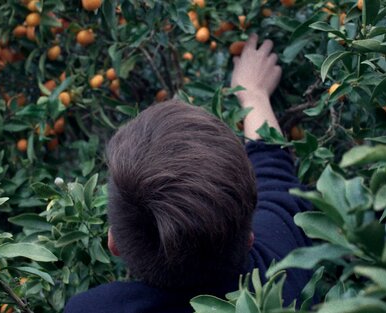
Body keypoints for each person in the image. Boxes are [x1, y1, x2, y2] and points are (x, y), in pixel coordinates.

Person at [65, 34, 311, 313]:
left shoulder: (92, 309)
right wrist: (252, 93)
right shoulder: (281, 277)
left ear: (113, 243)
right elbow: (275, 176)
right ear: (249, 239)